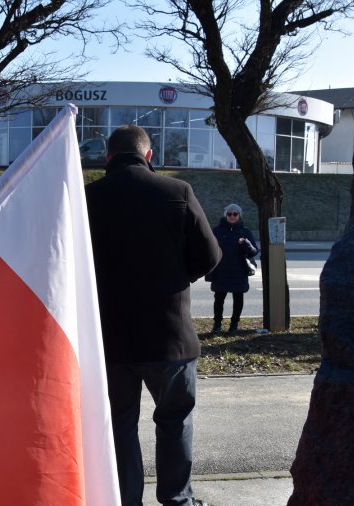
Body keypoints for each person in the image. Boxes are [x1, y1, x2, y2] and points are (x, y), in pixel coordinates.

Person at [85, 125, 221, 506]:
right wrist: (177, 277)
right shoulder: (177, 192)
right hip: (170, 336)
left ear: (107, 158)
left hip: (110, 339)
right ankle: (177, 500)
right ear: (149, 155)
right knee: (175, 420)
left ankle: (125, 500)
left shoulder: (88, 197)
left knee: (119, 427)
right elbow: (210, 257)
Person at [205, 204, 259, 335]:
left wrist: (246, 243)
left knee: (238, 298)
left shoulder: (245, 232)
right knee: (219, 298)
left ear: (239, 215)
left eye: (235, 214)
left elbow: (254, 252)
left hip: (239, 270)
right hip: (221, 270)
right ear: (225, 215)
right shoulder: (217, 231)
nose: (232, 216)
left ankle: (234, 324)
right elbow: (209, 249)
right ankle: (217, 324)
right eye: (229, 214)